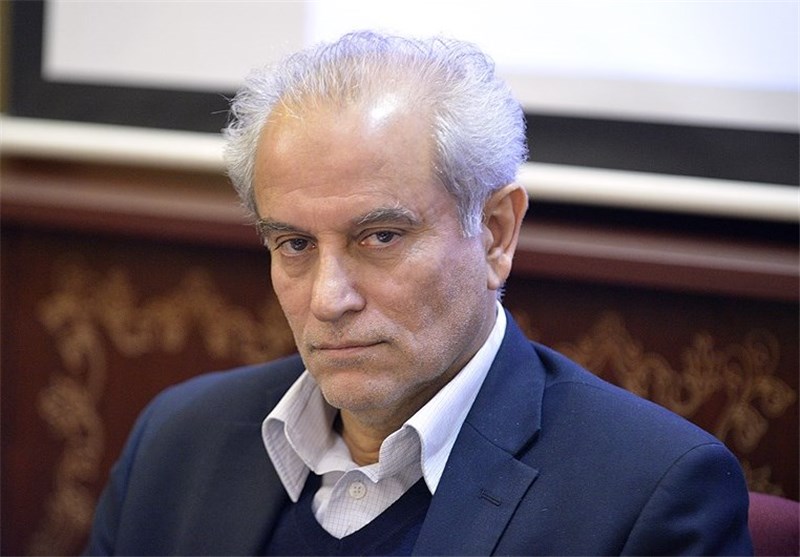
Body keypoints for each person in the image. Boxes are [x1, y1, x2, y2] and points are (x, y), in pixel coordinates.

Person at [83, 31, 752, 556]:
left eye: (380, 237)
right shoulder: (177, 441)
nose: (329, 299)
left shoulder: (649, 494)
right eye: (295, 244)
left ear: (495, 233)